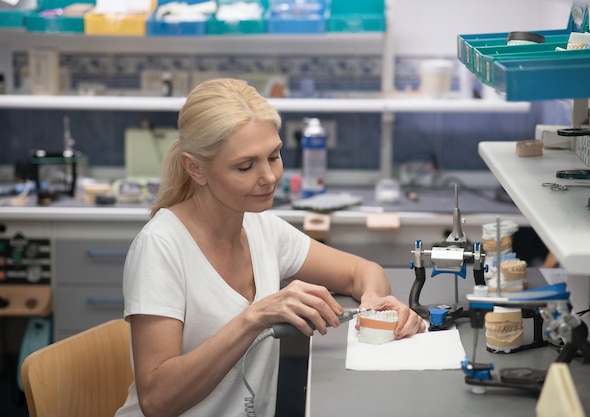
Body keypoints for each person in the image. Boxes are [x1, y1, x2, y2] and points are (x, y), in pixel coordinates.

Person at [115, 78, 425, 417]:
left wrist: (373, 303)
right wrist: (254, 318)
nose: (269, 177)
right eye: (245, 166)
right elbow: (157, 400)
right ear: (195, 168)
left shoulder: (261, 227)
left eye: (274, 157)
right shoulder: (161, 247)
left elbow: (362, 272)